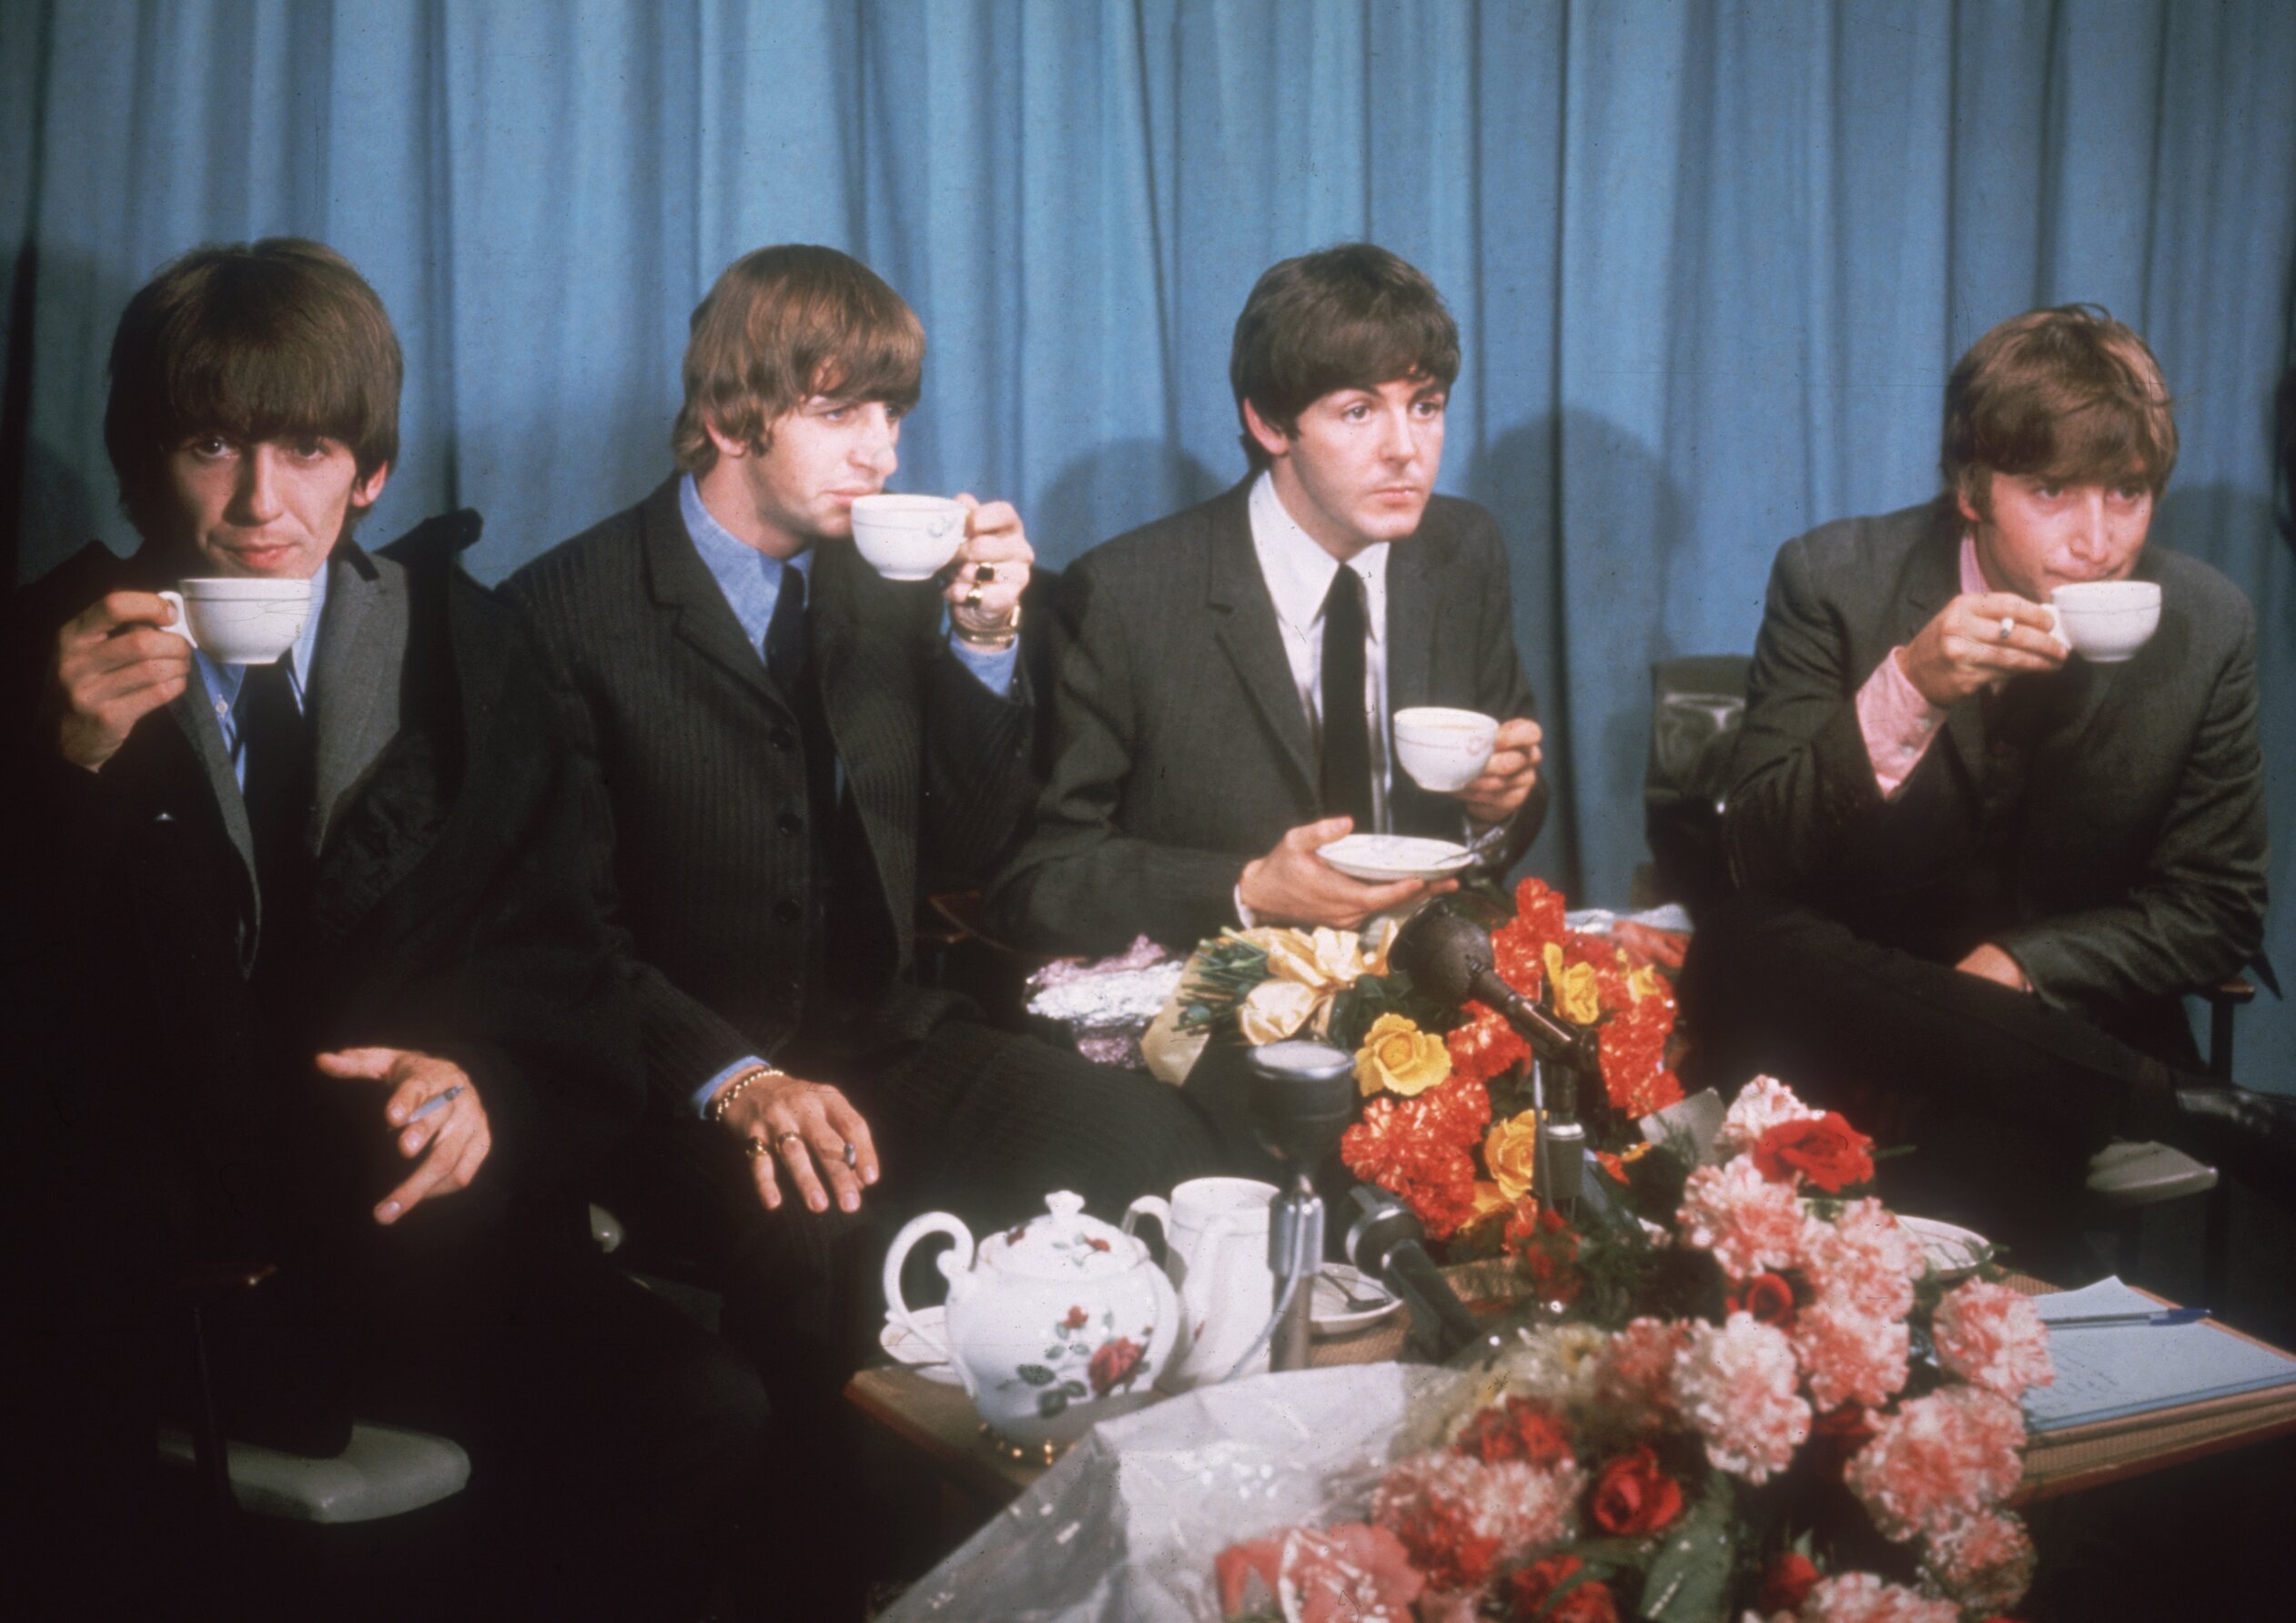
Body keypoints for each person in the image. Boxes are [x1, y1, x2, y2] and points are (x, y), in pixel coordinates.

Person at [1, 239, 765, 1618]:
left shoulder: (468, 650)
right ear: (141, 461)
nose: (256, 505)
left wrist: (493, 1087)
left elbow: (567, 951)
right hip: (150, 1256)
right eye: (210, 446)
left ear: (371, 473)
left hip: (413, 1231)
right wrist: (60, 778)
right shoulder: (43, 652)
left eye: (304, 450)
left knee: (695, 1409)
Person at [502, 244, 1237, 1616]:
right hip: (685, 1081)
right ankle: (833, 1575)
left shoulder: (881, 582)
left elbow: (967, 851)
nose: (880, 448)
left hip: (886, 1035)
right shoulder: (561, 614)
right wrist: (737, 1079)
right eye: (840, 413)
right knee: (808, 1228)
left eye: (890, 415)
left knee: (1142, 1142)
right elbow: (566, 936)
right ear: (731, 419)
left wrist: (979, 643)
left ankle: (1056, 1562)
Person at [1680, 305, 2295, 1268]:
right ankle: (2188, 1108)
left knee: (1968, 1225)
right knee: (1739, 938)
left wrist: (2022, 964)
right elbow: (1755, 853)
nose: (2098, 540)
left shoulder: (2207, 625)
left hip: (2049, 1037)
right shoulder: (1835, 580)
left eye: (2128, 493)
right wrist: (1907, 690)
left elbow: (2218, 906)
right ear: (1972, 488)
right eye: (2052, 491)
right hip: (1857, 1012)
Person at [987, 243, 1548, 958]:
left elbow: (1511, 813)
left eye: (1426, 405)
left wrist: (1493, 807)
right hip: (1220, 1005)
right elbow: (1039, 879)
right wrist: (1247, 889)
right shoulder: (1130, 592)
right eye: (1357, 411)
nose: (1405, 448)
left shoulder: (1462, 548)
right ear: (1269, 425)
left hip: (1422, 977)